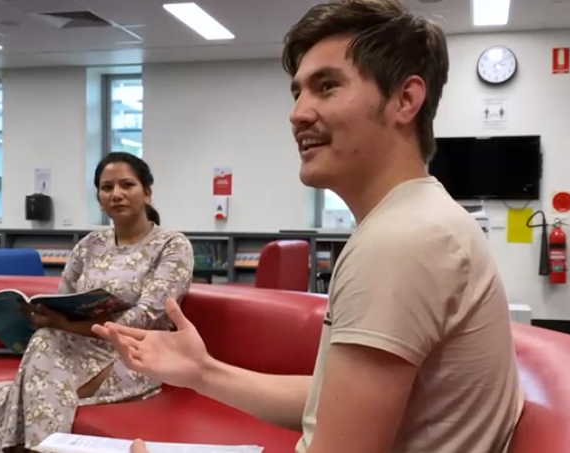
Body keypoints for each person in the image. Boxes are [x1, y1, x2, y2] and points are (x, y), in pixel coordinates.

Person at [95, 1, 524, 453]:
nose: (298, 113)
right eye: (298, 92)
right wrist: (203, 372)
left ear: (405, 100)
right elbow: (335, 406)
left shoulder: (399, 243)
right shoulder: (421, 219)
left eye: (327, 87)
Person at [0, 152, 195, 453]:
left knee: (35, 373)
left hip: (133, 357)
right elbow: (60, 300)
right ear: (99, 197)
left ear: (147, 192)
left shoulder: (172, 245)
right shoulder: (88, 245)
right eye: (107, 188)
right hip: (73, 348)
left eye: (127, 185)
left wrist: (67, 323)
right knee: (44, 339)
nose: (116, 194)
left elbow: (148, 316)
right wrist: (41, 314)